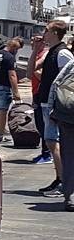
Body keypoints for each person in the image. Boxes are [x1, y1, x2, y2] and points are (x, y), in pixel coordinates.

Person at [37, 22, 74, 197]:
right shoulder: (52, 51)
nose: (43, 34)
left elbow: (68, 77)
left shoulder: (62, 53)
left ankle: (63, 181)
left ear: (54, 32)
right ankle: (60, 178)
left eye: (46, 31)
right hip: (46, 101)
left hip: (54, 104)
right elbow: (32, 71)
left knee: (54, 141)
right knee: (51, 141)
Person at [43, 50, 74, 211]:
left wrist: (51, 112)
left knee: (69, 157)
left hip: (68, 116)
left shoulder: (71, 64)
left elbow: (56, 84)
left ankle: (70, 197)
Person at [0, 38, 24, 143]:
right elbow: (12, 75)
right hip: (3, 86)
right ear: (14, 47)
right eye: (17, 49)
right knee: (2, 111)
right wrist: (16, 91)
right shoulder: (9, 57)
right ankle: (0, 136)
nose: (17, 52)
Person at [29, 31, 52, 164]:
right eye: (33, 40)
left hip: (42, 93)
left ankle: (47, 153)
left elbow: (41, 74)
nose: (33, 42)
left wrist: (34, 69)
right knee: (39, 123)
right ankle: (44, 151)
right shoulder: (36, 54)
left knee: (44, 124)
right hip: (35, 92)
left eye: (37, 40)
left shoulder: (45, 55)